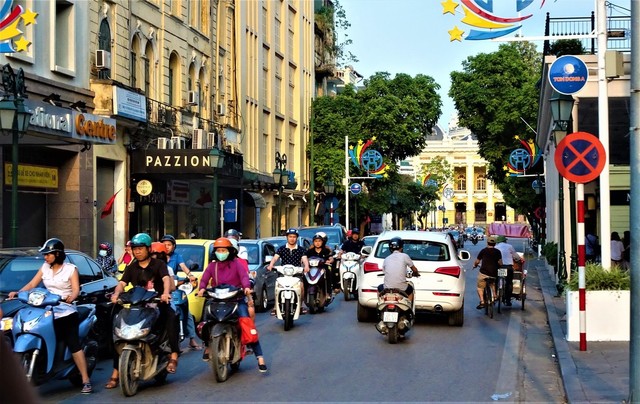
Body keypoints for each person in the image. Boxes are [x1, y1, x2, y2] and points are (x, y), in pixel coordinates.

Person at [8, 238, 93, 394]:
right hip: (46, 309)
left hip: (65, 310)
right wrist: (18, 292)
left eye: (48, 254)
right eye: (45, 254)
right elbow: (32, 284)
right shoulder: (45, 267)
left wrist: (71, 297)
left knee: (73, 344)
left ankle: (85, 380)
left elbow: (76, 289)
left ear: (57, 254)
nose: (45, 257)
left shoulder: (70, 269)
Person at [107, 233, 180, 388]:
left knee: (172, 317)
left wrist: (165, 293)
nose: (137, 251)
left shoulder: (158, 265)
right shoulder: (132, 267)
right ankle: (116, 371)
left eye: (140, 248)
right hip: (138, 305)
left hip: (158, 303)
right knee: (116, 328)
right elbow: (122, 283)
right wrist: (116, 294)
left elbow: (166, 279)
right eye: (135, 249)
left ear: (148, 249)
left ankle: (174, 355)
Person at [197, 238, 267, 372]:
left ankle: (259, 357)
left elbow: (244, 277)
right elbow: (204, 278)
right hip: (217, 300)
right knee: (206, 318)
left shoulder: (237, 264)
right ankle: (208, 345)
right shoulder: (212, 266)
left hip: (236, 299)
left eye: (223, 250)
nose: (221, 253)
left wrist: (246, 287)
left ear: (230, 251)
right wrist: (202, 288)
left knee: (247, 324)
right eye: (218, 250)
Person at [161, 234, 201, 350]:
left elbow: (183, 267)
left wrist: (190, 276)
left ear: (174, 246)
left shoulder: (177, 256)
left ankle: (192, 339)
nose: (166, 247)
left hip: (173, 284)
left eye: (169, 245)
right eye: (164, 245)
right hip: (159, 287)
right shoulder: (157, 258)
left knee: (186, 310)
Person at [267, 228, 309, 315]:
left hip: (296, 273)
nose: (292, 239)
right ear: (287, 237)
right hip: (283, 273)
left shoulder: (301, 249)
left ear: (296, 238)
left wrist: (306, 266)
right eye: (290, 236)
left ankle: (300, 306)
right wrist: (271, 265)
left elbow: (305, 259)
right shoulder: (282, 249)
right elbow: (275, 258)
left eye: (294, 237)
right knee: (277, 287)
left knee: (301, 286)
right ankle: (275, 307)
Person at [379, 237, 420, 302]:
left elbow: (384, 271)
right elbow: (414, 270)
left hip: (387, 289)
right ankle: (408, 305)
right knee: (410, 289)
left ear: (390, 248)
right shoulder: (405, 256)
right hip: (402, 288)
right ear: (401, 247)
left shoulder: (386, 259)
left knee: (379, 288)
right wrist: (416, 274)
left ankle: (380, 302)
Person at [472, 235, 503, 309]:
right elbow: (500, 262)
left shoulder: (483, 251)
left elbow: (477, 261)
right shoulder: (498, 252)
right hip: (493, 273)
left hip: (484, 272)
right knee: (492, 283)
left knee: (480, 287)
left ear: (487, 243)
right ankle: (494, 295)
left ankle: (482, 301)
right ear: (495, 244)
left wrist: (475, 265)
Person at [305, 233, 335, 301]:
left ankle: (328, 292)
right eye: (316, 241)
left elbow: (330, 257)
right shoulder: (310, 251)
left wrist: (330, 260)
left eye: (319, 241)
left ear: (322, 242)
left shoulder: (326, 250)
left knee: (328, 273)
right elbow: (305, 257)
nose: (317, 243)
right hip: (311, 268)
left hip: (322, 268)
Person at [494, 236, 521, 307]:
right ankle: (508, 299)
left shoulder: (496, 247)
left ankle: (494, 295)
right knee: (509, 282)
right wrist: (518, 259)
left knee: (496, 280)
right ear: (505, 241)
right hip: (508, 267)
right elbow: (516, 257)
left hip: (499, 267)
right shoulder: (509, 246)